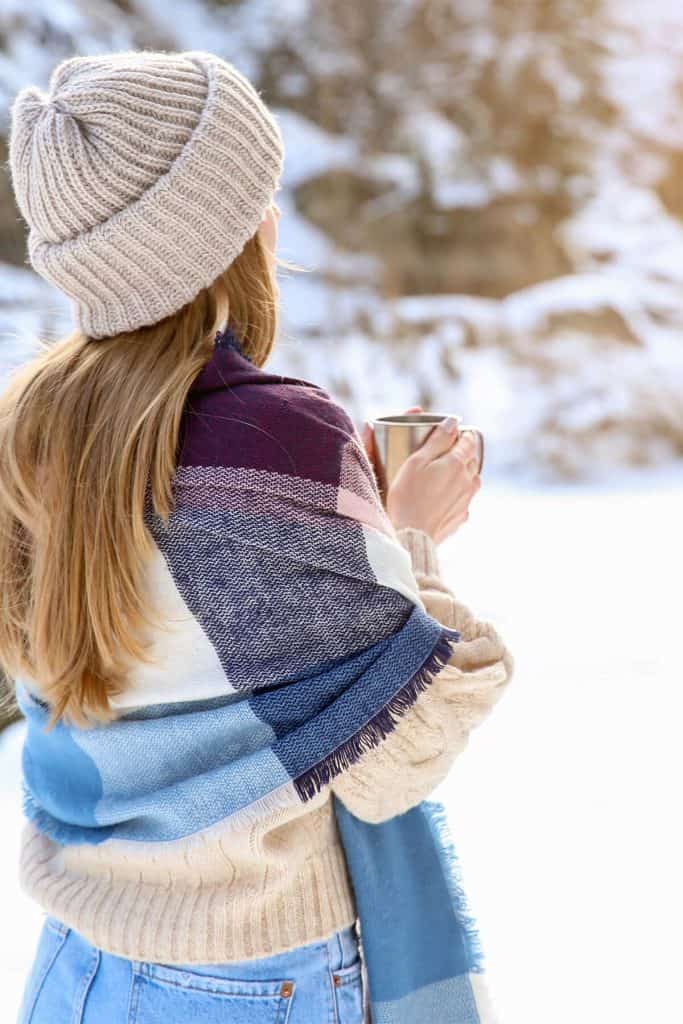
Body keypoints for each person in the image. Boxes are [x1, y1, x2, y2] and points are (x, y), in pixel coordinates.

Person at [0, 50, 514, 1024]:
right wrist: (404, 535)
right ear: (223, 238)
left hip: (80, 966)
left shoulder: (30, 430)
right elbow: (394, 751)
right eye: (256, 197)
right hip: (252, 977)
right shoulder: (277, 436)